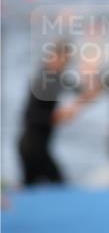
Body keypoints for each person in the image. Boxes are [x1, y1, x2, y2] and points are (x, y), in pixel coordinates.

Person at [17, 40, 71, 185]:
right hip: (32, 146)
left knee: (42, 186)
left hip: (40, 146)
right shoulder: (44, 80)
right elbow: (29, 115)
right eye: (65, 60)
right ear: (54, 57)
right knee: (57, 185)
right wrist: (54, 117)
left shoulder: (56, 78)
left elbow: (79, 89)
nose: (66, 65)